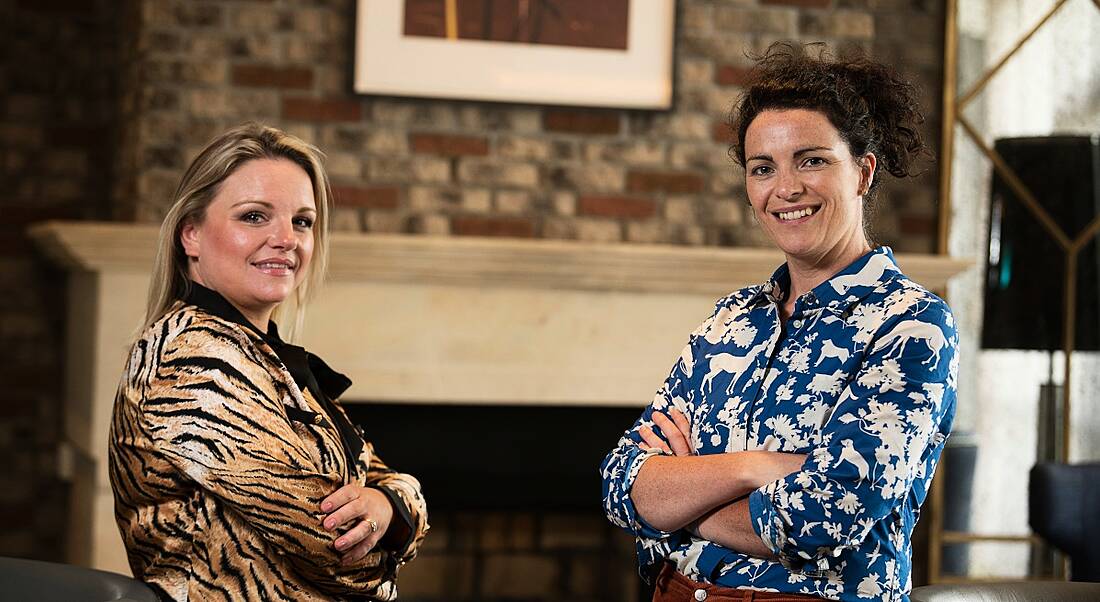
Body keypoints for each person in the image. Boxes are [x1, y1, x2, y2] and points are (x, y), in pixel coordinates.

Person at [601, 43, 958, 602]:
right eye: (762, 168)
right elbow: (622, 483)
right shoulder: (731, 319)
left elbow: (826, 517)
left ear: (863, 172)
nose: (785, 188)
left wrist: (684, 499)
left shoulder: (910, 325)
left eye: (811, 160)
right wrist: (754, 468)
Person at [109, 123, 428, 601]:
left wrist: (389, 502)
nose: (286, 239)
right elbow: (332, 543)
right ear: (191, 235)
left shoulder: (265, 357)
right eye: (255, 216)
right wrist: (400, 516)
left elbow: (375, 478)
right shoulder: (193, 358)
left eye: (302, 221)